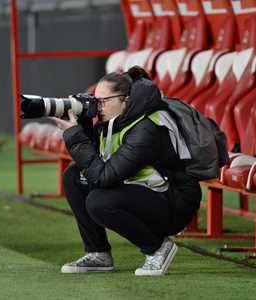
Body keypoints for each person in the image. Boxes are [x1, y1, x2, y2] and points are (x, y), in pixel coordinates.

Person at [50, 66, 201, 276]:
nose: (97, 107)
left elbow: (104, 177)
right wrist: (82, 124)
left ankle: (158, 248)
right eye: (95, 101)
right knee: (75, 177)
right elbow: (94, 162)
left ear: (126, 100)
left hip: (173, 202)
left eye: (103, 101)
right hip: (144, 189)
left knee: (99, 201)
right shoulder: (116, 120)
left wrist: (75, 136)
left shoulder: (148, 126)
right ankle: (98, 253)